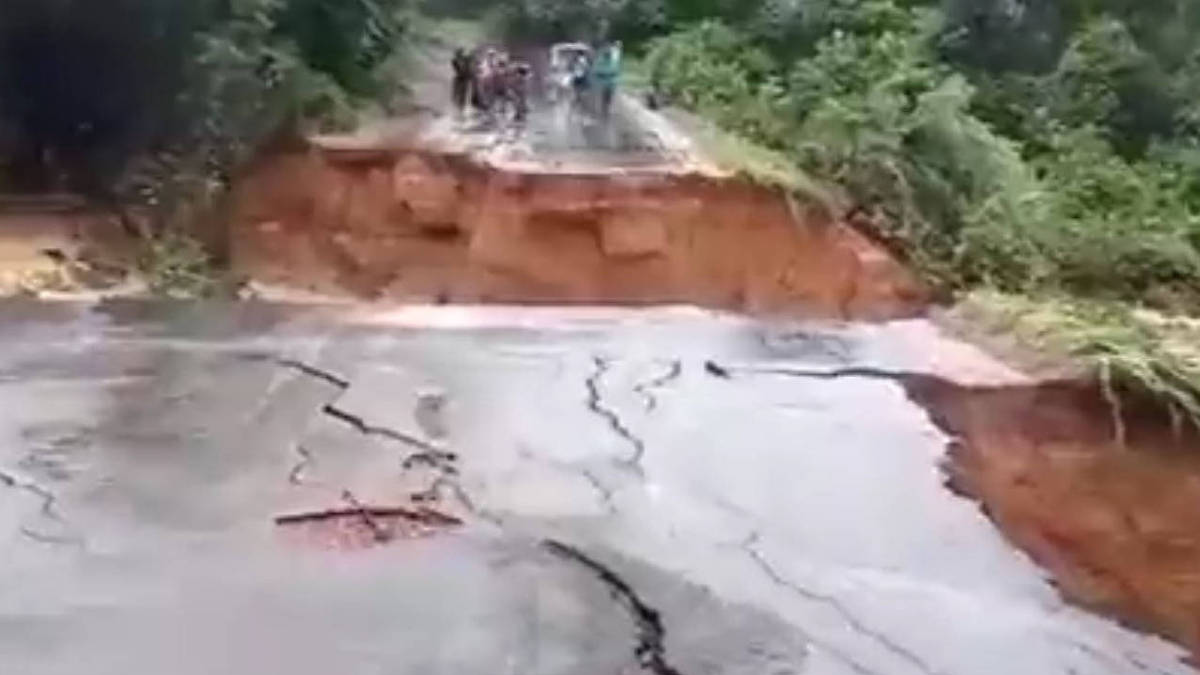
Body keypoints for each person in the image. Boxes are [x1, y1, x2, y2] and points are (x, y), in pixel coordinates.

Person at [592, 41, 622, 120]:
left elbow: (616, 71)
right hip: (604, 83)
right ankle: (604, 109)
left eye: (608, 53)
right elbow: (596, 70)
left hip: (610, 83)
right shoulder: (601, 60)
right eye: (607, 53)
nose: (608, 54)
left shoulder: (612, 61)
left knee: (608, 97)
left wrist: (605, 73)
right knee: (604, 97)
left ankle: (606, 109)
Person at [451, 48, 473, 117]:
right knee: (458, 94)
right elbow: (459, 69)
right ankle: (458, 109)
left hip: (464, 79)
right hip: (461, 78)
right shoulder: (455, 61)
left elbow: (470, 58)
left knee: (463, 95)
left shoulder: (465, 60)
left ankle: (461, 110)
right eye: (459, 53)